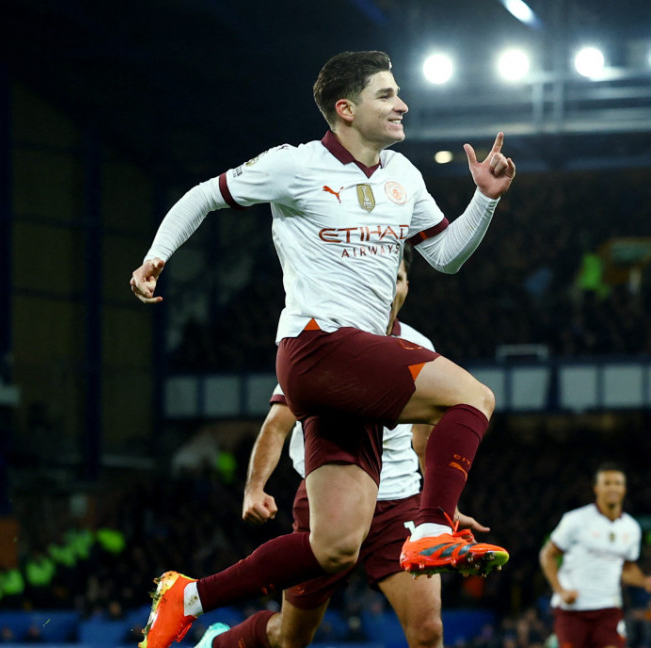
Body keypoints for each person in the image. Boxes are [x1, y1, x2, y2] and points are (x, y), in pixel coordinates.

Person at [130, 50, 514, 648]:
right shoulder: (294, 166)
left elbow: (445, 255)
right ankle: (431, 529)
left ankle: (192, 599)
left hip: (352, 380)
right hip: (318, 345)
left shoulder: (403, 175)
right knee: (475, 397)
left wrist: (484, 199)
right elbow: (204, 195)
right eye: (386, 95)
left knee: (332, 548)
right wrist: (157, 257)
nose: (402, 104)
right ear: (345, 108)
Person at [195, 250, 482, 648]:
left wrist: (444, 507)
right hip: (329, 496)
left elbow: (425, 440)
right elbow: (277, 426)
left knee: (428, 632)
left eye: (398, 278)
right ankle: (217, 644)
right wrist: (254, 487)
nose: (390, 286)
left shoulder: (419, 346)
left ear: (406, 286)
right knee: (291, 639)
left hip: (398, 502)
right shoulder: (328, 340)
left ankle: (195, 603)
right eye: (383, 276)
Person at [539, 464, 651, 648]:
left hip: (608, 610)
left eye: (617, 483)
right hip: (572, 611)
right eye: (607, 483)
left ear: (624, 489)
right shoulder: (575, 520)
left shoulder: (631, 528)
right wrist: (561, 590)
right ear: (596, 488)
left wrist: (645, 582)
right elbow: (547, 555)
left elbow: (627, 568)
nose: (612, 487)